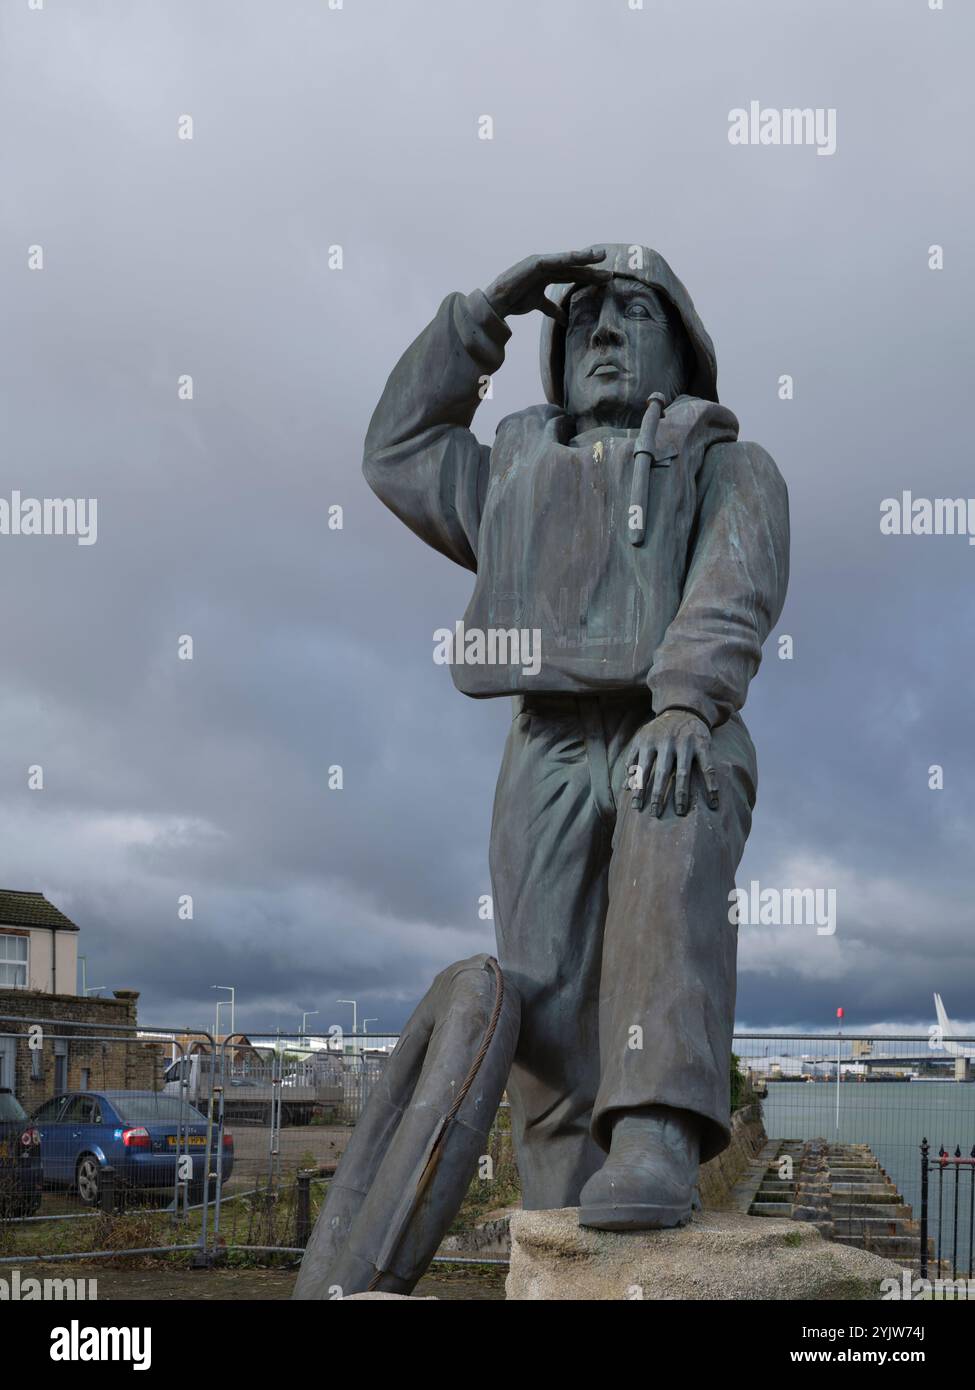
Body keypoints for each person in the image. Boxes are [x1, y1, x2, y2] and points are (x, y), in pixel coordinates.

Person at [363, 245, 790, 1229]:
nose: (601, 331)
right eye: (584, 315)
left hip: (678, 722)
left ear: (682, 352)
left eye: (633, 313)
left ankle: (654, 1130)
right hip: (545, 743)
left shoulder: (727, 465)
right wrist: (484, 313)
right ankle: (561, 1207)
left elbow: (734, 588)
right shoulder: (515, 477)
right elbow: (395, 448)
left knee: (668, 818)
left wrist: (685, 700)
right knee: (543, 987)